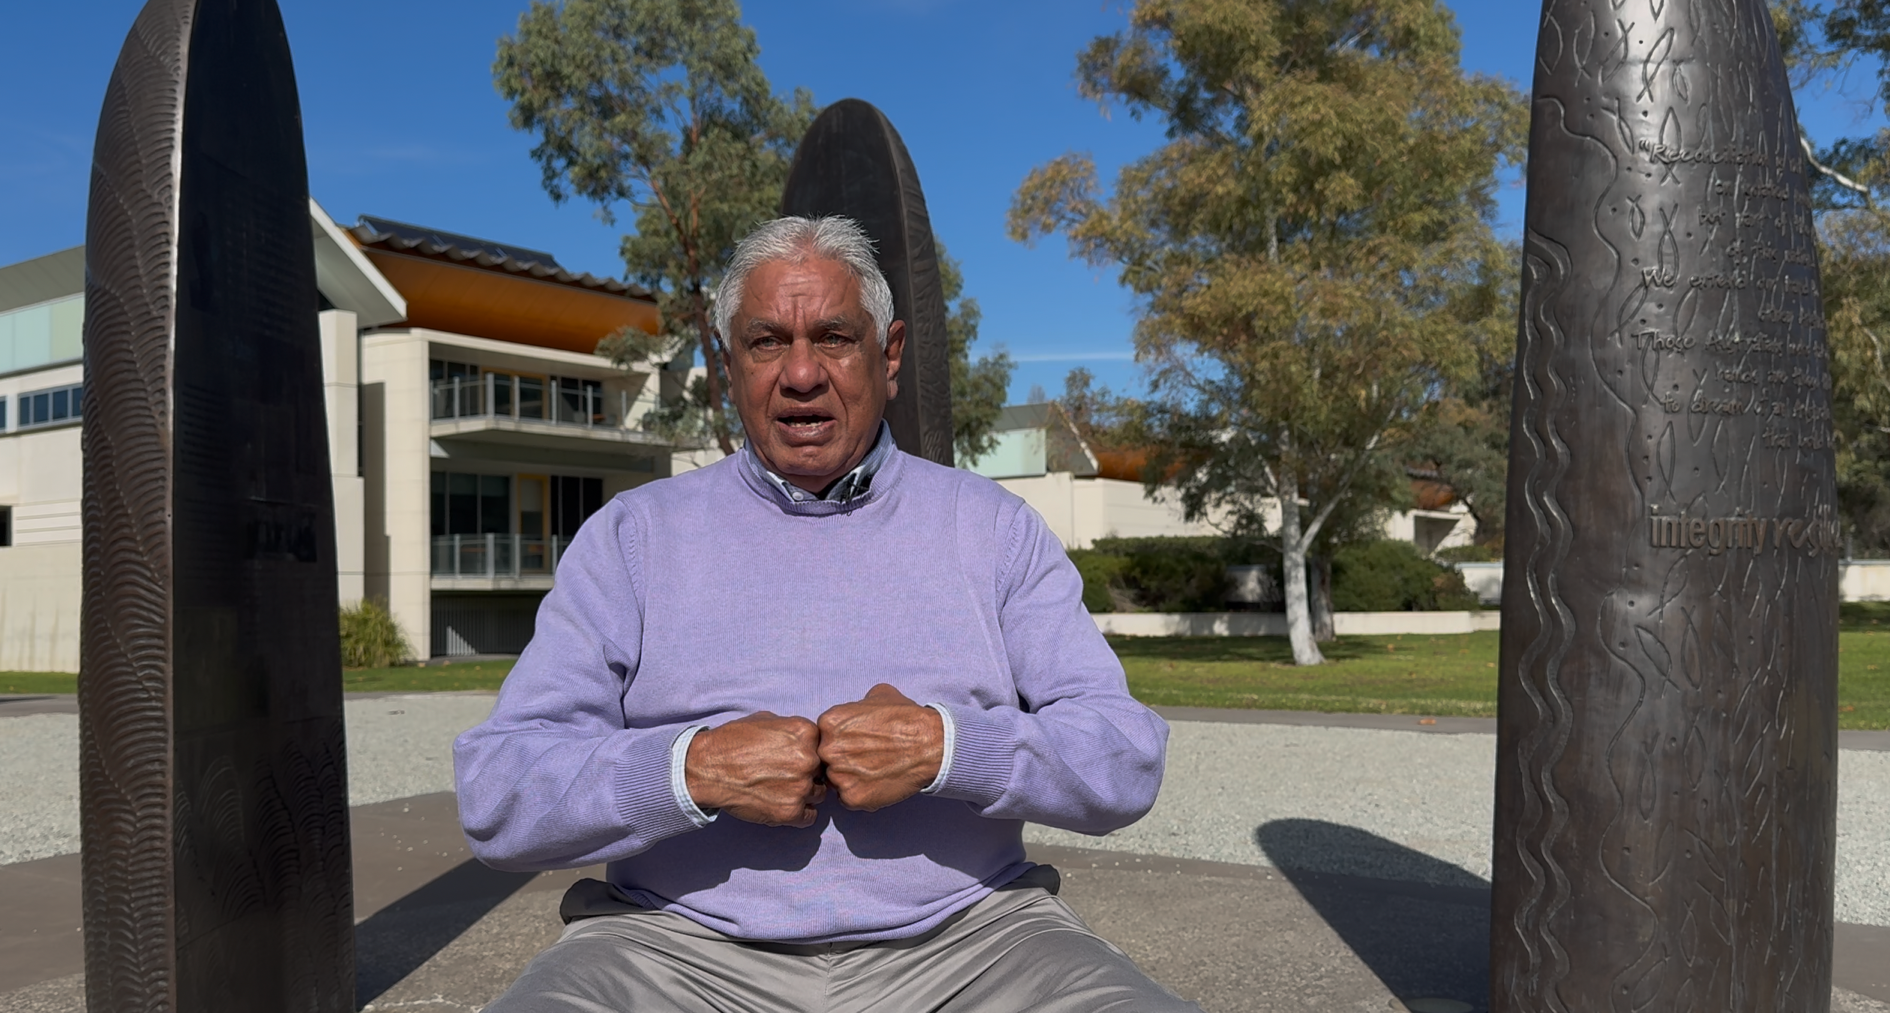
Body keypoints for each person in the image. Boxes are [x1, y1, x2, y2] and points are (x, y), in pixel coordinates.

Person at [454, 216, 1194, 1013]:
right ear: (727, 366)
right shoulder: (633, 540)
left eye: (835, 337)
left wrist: (952, 749)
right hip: (673, 948)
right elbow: (499, 798)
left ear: (891, 354)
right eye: (767, 341)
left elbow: (1124, 761)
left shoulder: (994, 530)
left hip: (974, 942)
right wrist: (690, 770)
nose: (801, 374)